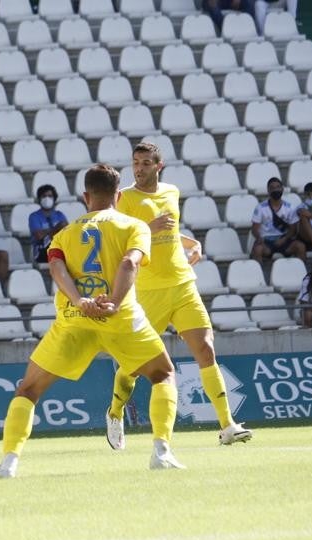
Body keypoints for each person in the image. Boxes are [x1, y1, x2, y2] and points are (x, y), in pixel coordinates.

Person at [0, 164, 185, 479]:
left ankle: (8, 464)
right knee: (163, 375)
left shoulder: (64, 234)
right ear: (118, 195)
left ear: (85, 196)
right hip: (121, 318)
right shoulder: (135, 227)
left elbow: (57, 270)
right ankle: (161, 452)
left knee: (27, 390)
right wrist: (114, 303)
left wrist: (80, 301)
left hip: (74, 320)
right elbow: (129, 262)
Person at [104, 142, 252, 450]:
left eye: (146, 162)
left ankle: (227, 425)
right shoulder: (125, 198)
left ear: (159, 166)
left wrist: (190, 242)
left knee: (206, 349)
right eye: (136, 162)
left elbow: (169, 229)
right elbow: (117, 238)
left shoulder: (172, 191)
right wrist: (149, 225)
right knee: (131, 366)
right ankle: (115, 412)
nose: (139, 168)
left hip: (183, 285)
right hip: (148, 292)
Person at [250, 177, 306, 262]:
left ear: (282, 189)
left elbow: (293, 229)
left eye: (278, 187)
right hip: (266, 241)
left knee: (300, 246)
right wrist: (258, 238)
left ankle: (303, 272)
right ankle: (258, 274)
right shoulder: (260, 207)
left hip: (284, 240)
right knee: (258, 249)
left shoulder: (290, 207)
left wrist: (284, 239)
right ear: (268, 191)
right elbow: (254, 229)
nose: (275, 190)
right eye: (272, 188)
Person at [29, 184, 68, 264]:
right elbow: (39, 235)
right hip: (41, 252)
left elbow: (67, 232)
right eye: (44, 196)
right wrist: (57, 229)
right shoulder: (34, 216)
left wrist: (48, 231)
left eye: (50, 196)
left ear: (54, 199)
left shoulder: (59, 215)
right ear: (39, 199)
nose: (47, 198)